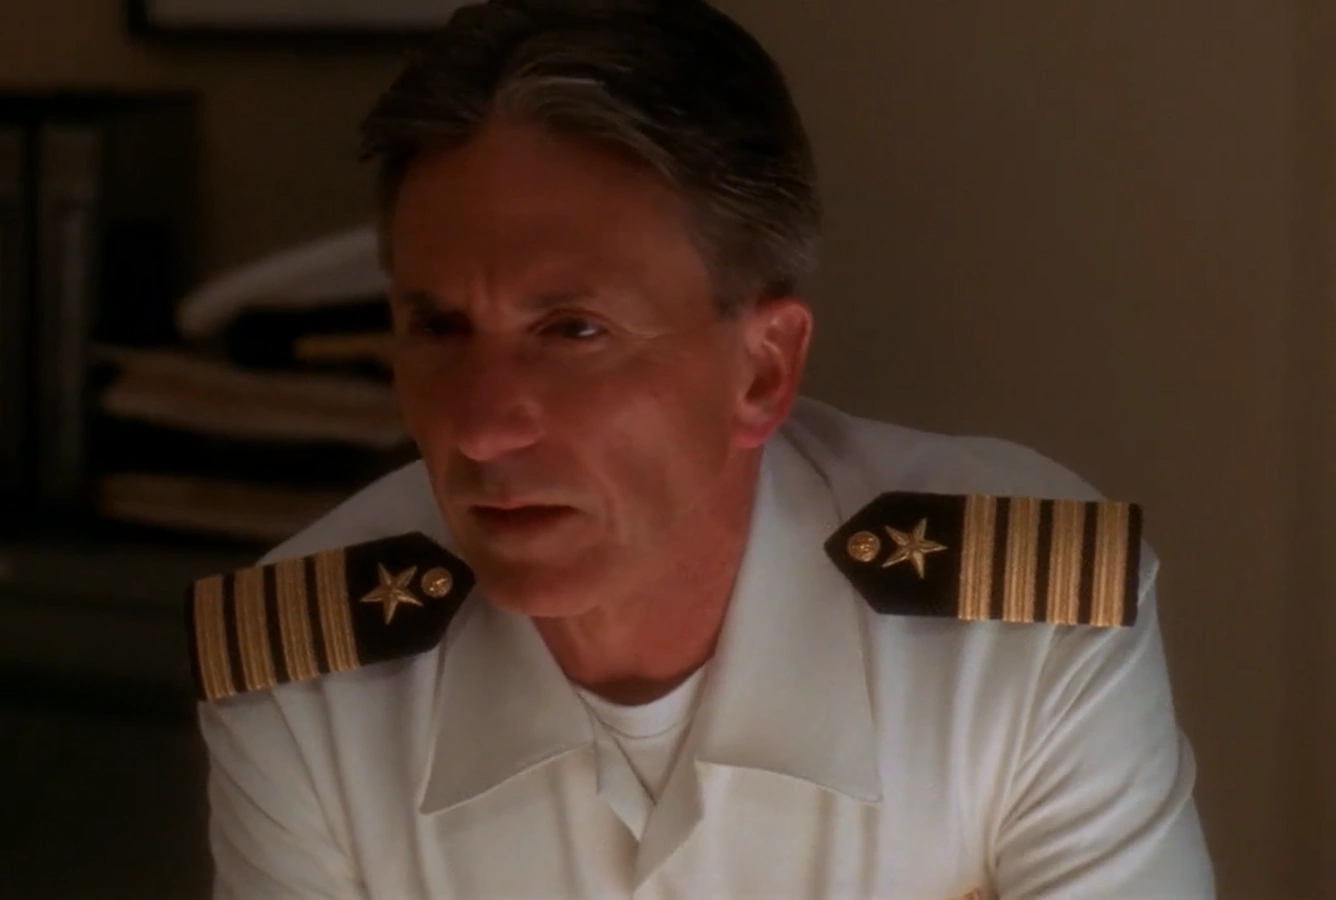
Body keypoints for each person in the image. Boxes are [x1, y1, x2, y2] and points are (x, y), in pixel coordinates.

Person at [187, 0, 1215, 896]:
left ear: (761, 372)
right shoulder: (308, 685)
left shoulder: (1018, 637)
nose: (482, 424)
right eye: (438, 328)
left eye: (573, 331)